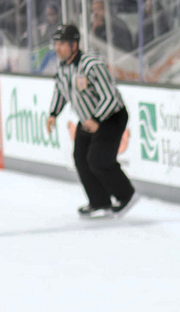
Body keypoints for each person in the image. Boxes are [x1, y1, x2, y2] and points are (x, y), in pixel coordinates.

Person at [45, 24, 137, 219]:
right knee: (80, 158)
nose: (57, 48)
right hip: (89, 118)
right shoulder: (62, 68)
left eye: (61, 44)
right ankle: (99, 201)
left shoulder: (91, 65)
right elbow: (61, 91)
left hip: (111, 116)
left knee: (98, 159)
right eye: (56, 44)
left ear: (74, 44)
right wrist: (53, 113)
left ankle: (126, 195)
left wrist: (97, 119)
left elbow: (111, 96)